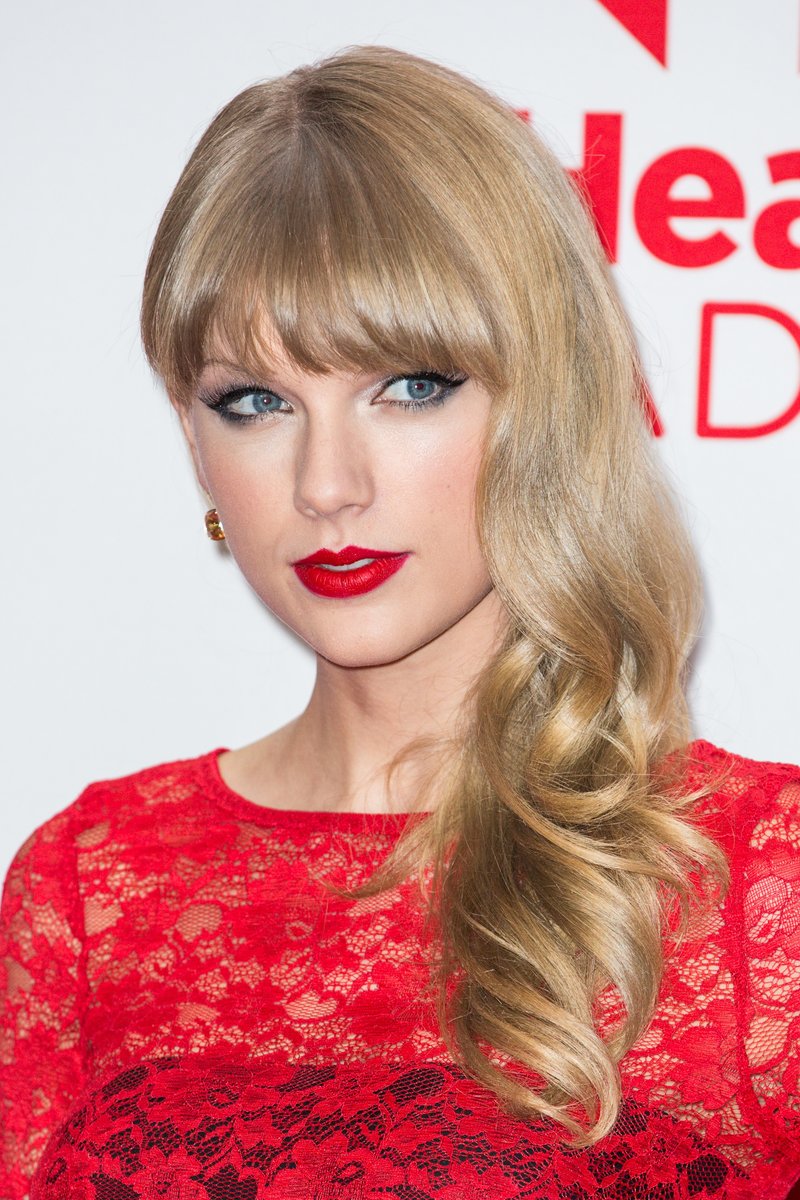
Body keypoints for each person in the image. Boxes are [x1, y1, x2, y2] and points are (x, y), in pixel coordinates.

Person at [1, 43, 798, 1200]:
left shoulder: (758, 882)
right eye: (256, 402)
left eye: (410, 386)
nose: (328, 483)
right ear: (192, 438)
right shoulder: (83, 886)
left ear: (546, 402)